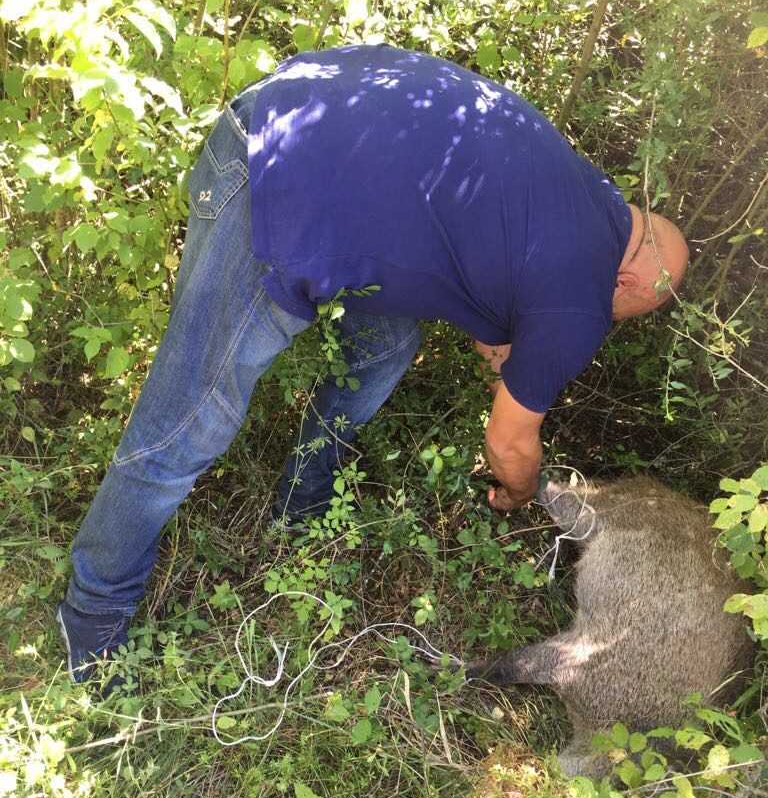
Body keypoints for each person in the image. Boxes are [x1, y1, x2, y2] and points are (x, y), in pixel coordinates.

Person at [56, 44, 689, 693]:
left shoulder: (589, 196)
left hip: (300, 115)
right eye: (625, 313)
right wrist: (521, 490)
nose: (609, 321)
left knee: (387, 343)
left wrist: (511, 363)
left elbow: (492, 295)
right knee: (188, 421)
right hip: (274, 178)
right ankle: (94, 614)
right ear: (627, 283)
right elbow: (508, 442)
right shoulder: (582, 297)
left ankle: (301, 501)